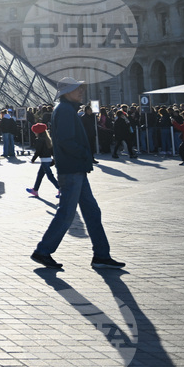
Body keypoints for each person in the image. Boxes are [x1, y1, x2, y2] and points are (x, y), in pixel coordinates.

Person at [32, 77, 125, 270]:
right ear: (67, 93)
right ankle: (43, 251)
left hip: (76, 169)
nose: (81, 91)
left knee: (92, 212)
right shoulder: (65, 110)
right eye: (77, 89)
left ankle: (101, 255)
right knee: (67, 213)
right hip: (72, 169)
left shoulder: (66, 109)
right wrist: (84, 154)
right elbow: (66, 141)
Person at [26, 123, 59, 198]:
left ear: (38, 132)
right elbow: (51, 151)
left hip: (44, 160)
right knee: (40, 175)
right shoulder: (48, 139)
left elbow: (38, 151)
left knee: (50, 176)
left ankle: (60, 189)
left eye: (35, 131)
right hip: (48, 160)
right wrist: (54, 159)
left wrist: (33, 159)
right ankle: (35, 189)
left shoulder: (39, 140)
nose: (34, 133)